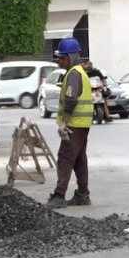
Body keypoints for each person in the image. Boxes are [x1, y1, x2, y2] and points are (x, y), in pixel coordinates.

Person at [46, 37, 94, 209]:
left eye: (62, 57)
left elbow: (71, 99)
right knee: (80, 160)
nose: (60, 60)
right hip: (82, 124)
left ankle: (59, 196)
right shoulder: (79, 72)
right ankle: (82, 194)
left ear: (71, 57)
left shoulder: (73, 73)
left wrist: (64, 123)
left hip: (74, 124)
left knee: (65, 158)